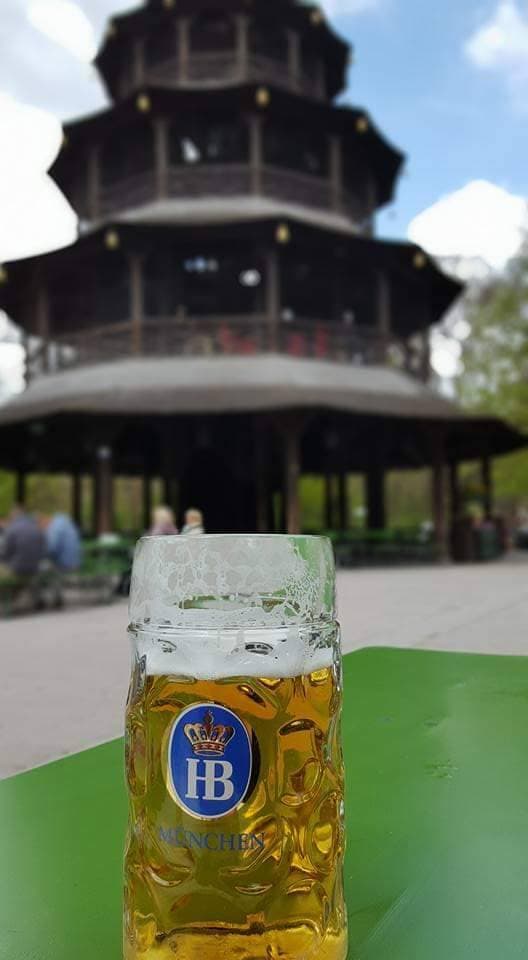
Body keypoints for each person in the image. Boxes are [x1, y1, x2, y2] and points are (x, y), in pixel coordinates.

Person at [0, 505, 46, 579]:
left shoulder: (12, 529)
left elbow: (6, 552)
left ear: (13, 516)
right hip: (35, 568)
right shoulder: (37, 528)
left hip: (17, 569)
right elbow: (43, 551)